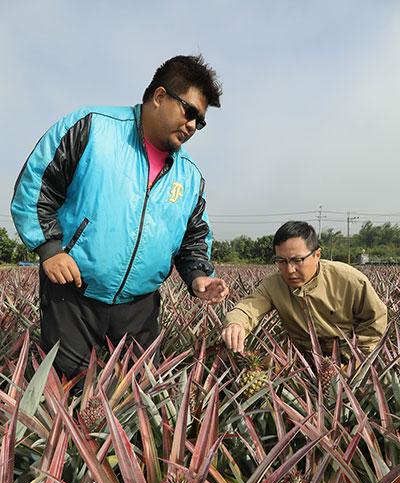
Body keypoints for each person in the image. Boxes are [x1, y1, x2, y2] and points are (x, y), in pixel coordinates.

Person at [11, 54, 228, 380]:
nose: (194, 125)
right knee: (68, 388)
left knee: (135, 396)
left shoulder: (190, 177)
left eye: (201, 121)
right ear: (159, 97)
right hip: (73, 295)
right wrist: (49, 249)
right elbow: (36, 188)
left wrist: (199, 275)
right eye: (190, 112)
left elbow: (193, 238)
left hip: (140, 308)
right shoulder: (91, 128)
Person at [222, 221, 387, 359]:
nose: (290, 270)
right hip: (304, 360)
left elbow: (375, 320)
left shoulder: (348, 279)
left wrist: (354, 359)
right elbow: (249, 308)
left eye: (297, 260)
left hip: (352, 357)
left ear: (317, 254)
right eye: (281, 261)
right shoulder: (273, 285)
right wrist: (236, 323)